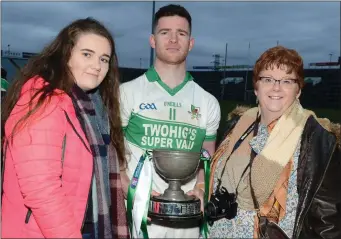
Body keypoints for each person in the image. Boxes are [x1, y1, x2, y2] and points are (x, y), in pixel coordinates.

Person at [1, 18, 129, 239]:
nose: (97, 66)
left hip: (87, 227)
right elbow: (41, 190)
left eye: (104, 59)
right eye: (87, 54)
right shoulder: (43, 100)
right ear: (66, 54)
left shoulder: (96, 110)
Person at [207, 45, 341, 238]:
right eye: (267, 79)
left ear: (298, 91)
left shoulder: (317, 141)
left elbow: (328, 223)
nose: (276, 87)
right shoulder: (237, 126)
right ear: (256, 88)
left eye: (287, 81)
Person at [119, 4, 221, 238]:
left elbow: (207, 157)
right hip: (140, 217)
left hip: (188, 224)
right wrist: (127, 186)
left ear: (191, 43)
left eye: (181, 33)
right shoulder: (126, 93)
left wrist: (201, 188)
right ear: (152, 40)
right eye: (165, 32)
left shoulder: (207, 102)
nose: (173, 39)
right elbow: (113, 150)